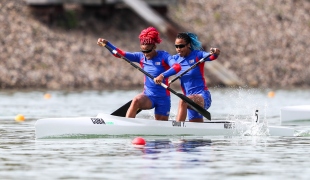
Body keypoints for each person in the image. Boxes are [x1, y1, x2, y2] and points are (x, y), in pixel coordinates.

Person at [97, 27, 181, 120]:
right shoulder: (140, 57)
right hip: (148, 96)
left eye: (148, 51)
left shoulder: (164, 56)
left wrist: (162, 75)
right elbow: (120, 54)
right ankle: (127, 124)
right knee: (136, 100)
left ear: (154, 46)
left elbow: (177, 67)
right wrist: (107, 44)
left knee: (160, 125)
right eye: (143, 51)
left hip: (163, 99)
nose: (145, 54)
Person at [173, 32, 220, 122]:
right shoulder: (175, 59)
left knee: (183, 101)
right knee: (196, 130)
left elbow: (212, 56)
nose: (178, 49)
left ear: (188, 45)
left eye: (181, 46)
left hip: (202, 97)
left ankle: (177, 128)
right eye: (176, 46)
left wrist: (215, 52)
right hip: (190, 99)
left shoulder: (198, 55)